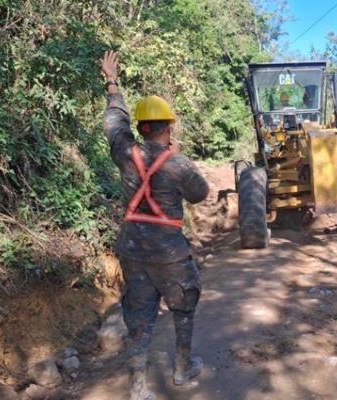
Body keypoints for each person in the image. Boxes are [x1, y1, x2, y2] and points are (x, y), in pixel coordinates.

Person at [100, 50, 210, 400]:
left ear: (141, 127)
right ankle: (181, 369)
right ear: (168, 127)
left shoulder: (125, 152)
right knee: (183, 306)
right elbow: (200, 194)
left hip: (132, 249)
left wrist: (112, 83)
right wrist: (178, 156)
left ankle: (137, 389)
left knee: (139, 315)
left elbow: (113, 123)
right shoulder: (177, 164)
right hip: (169, 252)